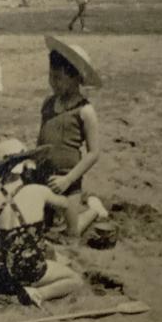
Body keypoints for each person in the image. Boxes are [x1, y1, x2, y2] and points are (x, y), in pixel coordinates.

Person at [0, 139, 83, 307]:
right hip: (29, 269)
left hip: (0, 275)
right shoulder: (38, 191)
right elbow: (65, 204)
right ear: (25, 167)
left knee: (45, 253)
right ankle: (38, 293)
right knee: (75, 279)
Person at [36, 37, 109, 236]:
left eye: (59, 78)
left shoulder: (85, 111)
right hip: (44, 177)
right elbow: (41, 141)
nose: (53, 83)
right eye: (51, 77)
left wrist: (68, 179)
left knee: (72, 234)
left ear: (76, 78)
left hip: (68, 181)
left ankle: (93, 209)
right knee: (41, 228)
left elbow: (94, 153)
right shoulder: (48, 104)